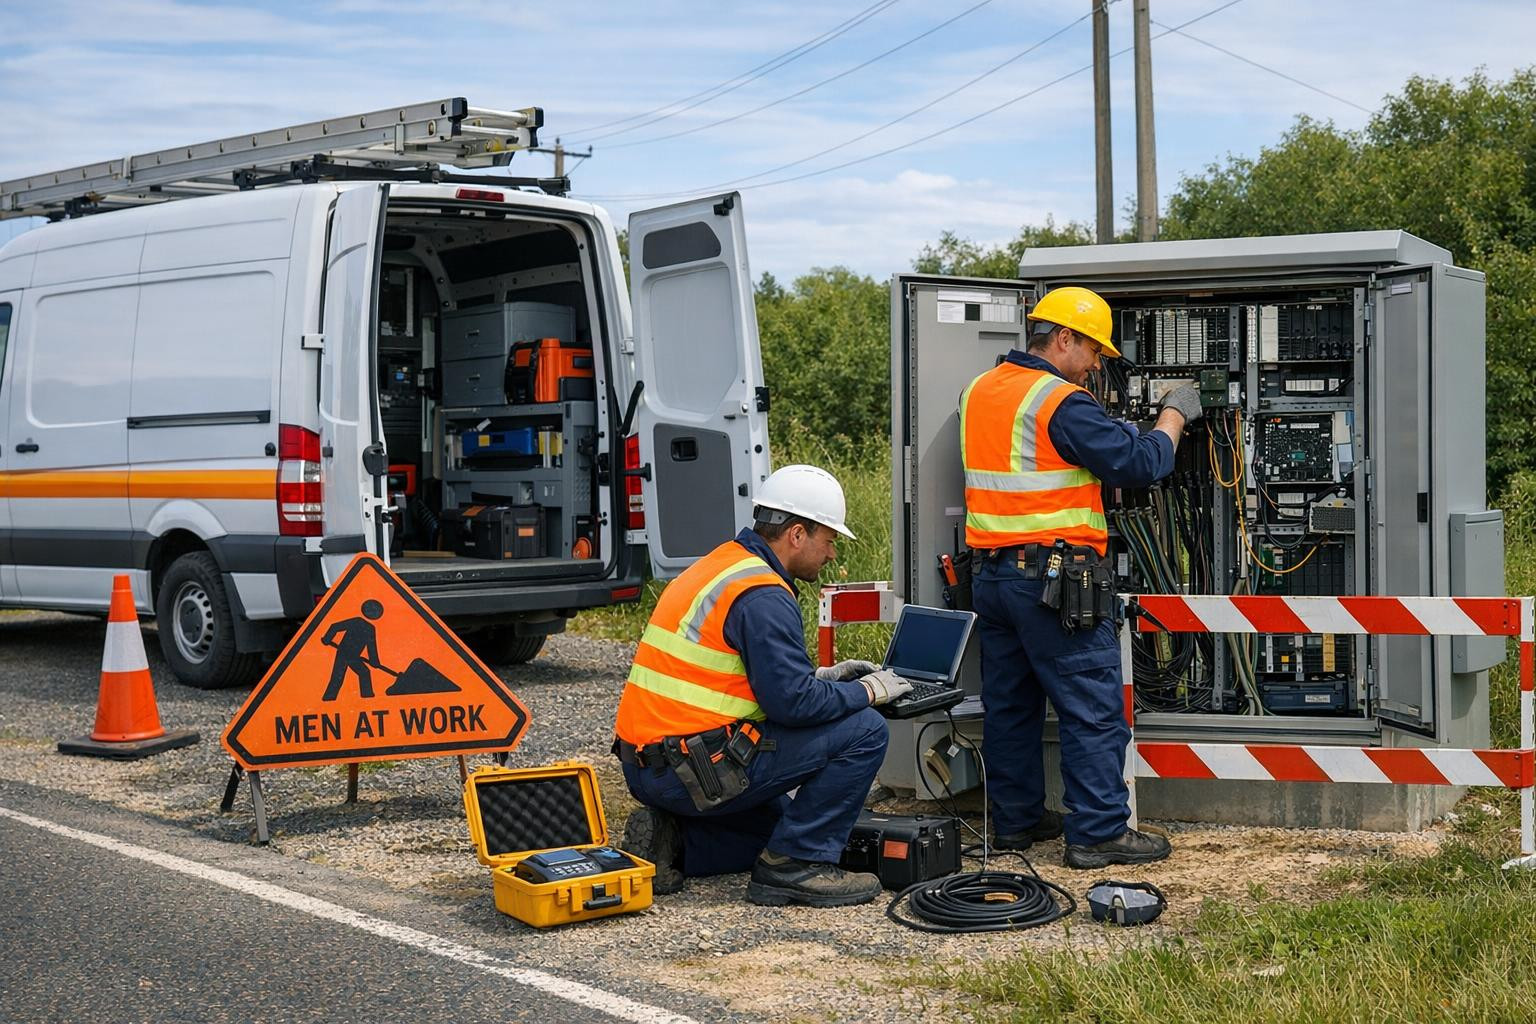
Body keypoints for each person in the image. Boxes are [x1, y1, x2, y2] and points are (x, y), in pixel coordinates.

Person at [959, 286, 1202, 870]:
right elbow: (1140, 463)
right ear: (1063, 338)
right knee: (1091, 705)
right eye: (1093, 351)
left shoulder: (979, 390)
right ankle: (1097, 832)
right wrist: (1173, 415)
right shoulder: (1059, 401)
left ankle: (1015, 822)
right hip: (1053, 581)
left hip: (993, 578)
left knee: (1010, 706)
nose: (1096, 366)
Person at [612, 465, 912, 907]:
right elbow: (793, 706)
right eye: (829, 540)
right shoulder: (763, 594)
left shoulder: (721, 565)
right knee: (865, 730)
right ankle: (797, 867)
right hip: (692, 769)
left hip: (650, 767)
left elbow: (739, 678)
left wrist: (822, 678)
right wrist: (868, 691)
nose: (831, 554)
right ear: (797, 534)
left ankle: (674, 841)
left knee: (782, 826)